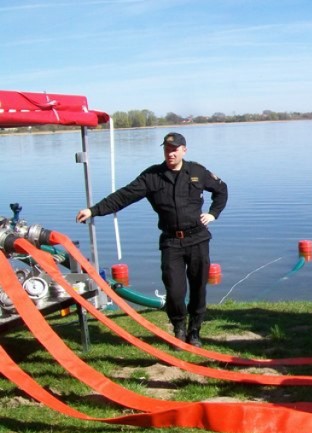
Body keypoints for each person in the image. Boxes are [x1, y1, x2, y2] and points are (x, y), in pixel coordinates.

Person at [76, 132, 228, 347]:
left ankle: (195, 331)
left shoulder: (197, 171)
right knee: (174, 290)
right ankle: (179, 328)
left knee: (198, 288)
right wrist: (94, 210)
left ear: (184, 149)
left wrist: (213, 213)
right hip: (171, 242)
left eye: (174, 149)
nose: (170, 153)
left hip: (198, 239)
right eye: (167, 149)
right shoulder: (152, 176)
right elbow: (123, 196)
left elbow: (221, 190)